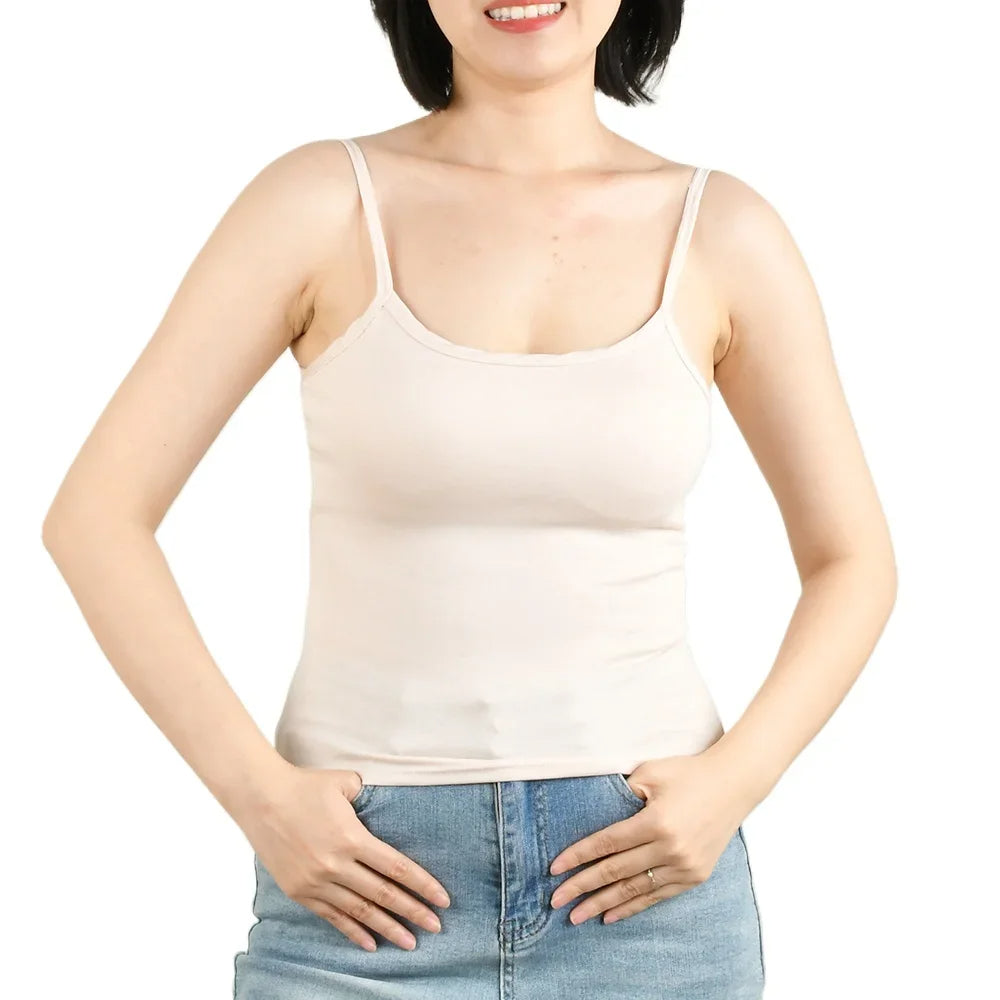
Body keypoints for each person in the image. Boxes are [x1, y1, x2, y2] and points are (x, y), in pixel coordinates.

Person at [41, 1, 897, 997]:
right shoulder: (321, 203)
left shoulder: (724, 231)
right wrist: (258, 796)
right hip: (364, 885)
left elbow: (853, 561)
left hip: (647, 885)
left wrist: (734, 782)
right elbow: (96, 517)